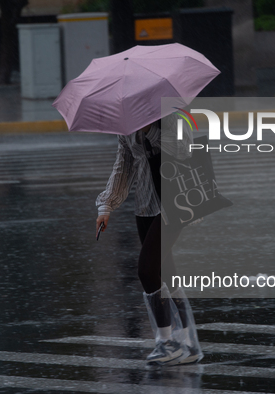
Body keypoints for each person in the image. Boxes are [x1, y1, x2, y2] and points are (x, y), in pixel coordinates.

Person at [95, 113, 203, 366]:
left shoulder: (173, 118)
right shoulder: (125, 126)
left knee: (146, 270)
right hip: (145, 204)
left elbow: (184, 150)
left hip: (176, 202)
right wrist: (105, 206)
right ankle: (189, 343)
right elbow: (123, 165)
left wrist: (150, 130)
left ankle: (167, 342)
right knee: (166, 271)